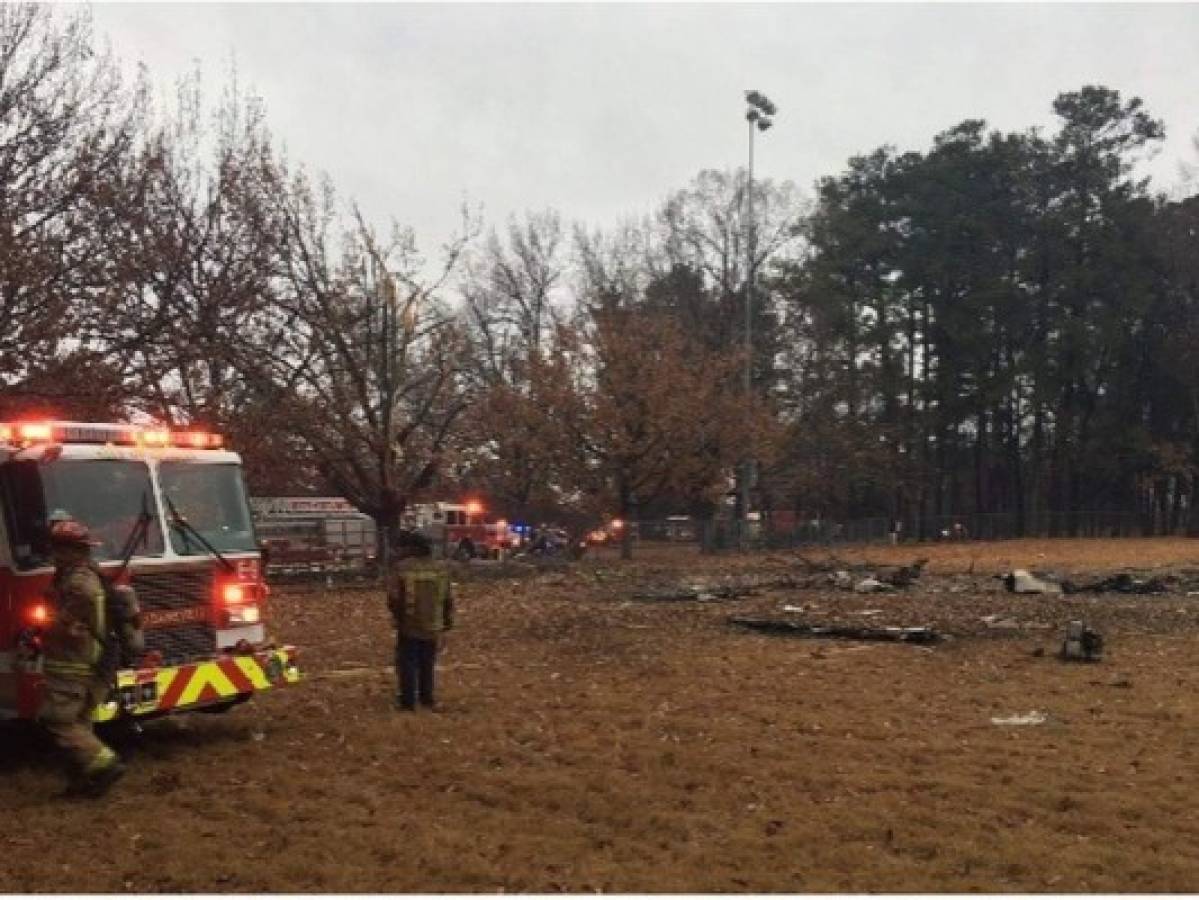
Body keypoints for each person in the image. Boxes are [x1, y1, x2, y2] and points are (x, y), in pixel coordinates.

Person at [38, 518, 125, 797]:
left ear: (70, 551)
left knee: (59, 720)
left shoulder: (79, 580)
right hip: (93, 662)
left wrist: (53, 626)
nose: (54, 555)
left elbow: (79, 603)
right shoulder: (87, 573)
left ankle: (105, 764)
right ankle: (84, 782)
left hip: (76, 663)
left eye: (58, 549)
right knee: (79, 723)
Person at [387, 530, 454, 711]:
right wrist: (447, 622)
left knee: (407, 663)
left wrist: (397, 617)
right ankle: (427, 698)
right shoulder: (440, 568)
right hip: (433, 624)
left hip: (409, 624)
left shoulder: (402, 568)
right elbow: (448, 598)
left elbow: (393, 598)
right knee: (427, 663)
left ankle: (408, 702)